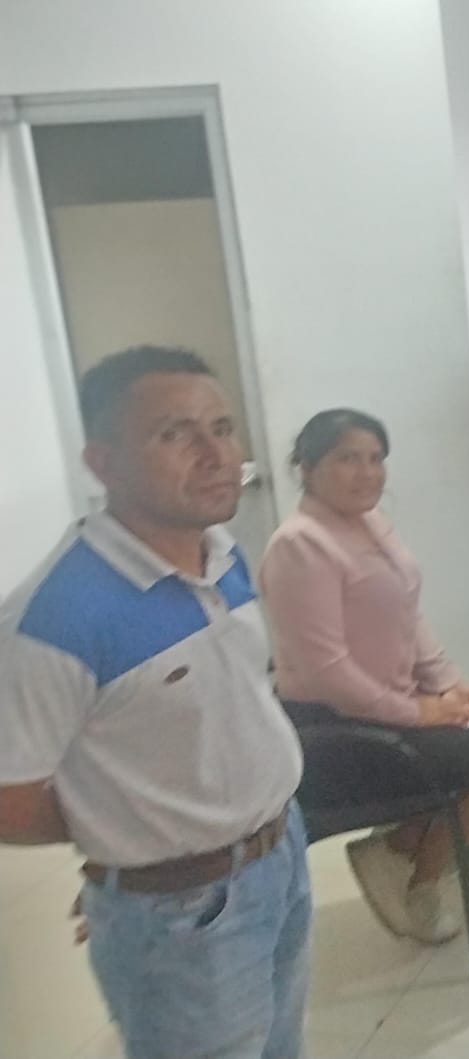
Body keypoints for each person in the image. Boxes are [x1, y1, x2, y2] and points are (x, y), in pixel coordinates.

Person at [0, 345, 310, 1059]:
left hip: (281, 854)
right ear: (102, 463)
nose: (216, 453)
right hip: (182, 910)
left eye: (222, 428)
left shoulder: (221, 552)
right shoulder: (54, 619)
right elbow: (8, 797)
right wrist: (128, 845)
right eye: (175, 433)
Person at [259, 409, 469, 946]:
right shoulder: (300, 545)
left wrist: (448, 683)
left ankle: (399, 845)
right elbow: (327, 674)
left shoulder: (368, 522)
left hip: (390, 698)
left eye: (376, 459)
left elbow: (406, 613)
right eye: (348, 459)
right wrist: (420, 712)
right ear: (306, 467)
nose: (367, 473)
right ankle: (419, 877)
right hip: (334, 725)